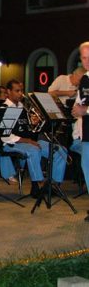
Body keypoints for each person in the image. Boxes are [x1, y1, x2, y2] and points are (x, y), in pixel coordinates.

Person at [1, 79, 67, 197]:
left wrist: (34, 124)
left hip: (29, 141)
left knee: (61, 151)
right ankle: (37, 185)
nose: (20, 93)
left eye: (21, 90)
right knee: (34, 150)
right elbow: (5, 137)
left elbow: (28, 129)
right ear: (8, 91)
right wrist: (28, 141)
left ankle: (53, 185)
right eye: (17, 91)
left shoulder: (22, 107)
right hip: (11, 144)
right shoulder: (5, 108)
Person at [72, 41, 89, 221]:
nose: (87, 61)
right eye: (84, 58)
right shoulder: (85, 79)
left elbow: (85, 109)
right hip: (86, 134)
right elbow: (82, 105)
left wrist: (85, 111)